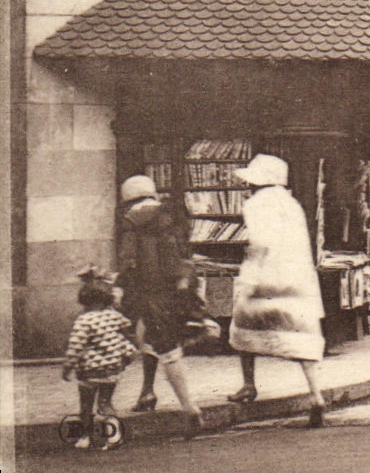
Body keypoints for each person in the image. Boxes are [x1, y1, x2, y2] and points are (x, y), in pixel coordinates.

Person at [226, 154, 328, 428]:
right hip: (296, 279)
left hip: (266, 278)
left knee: (242, 330)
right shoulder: (292, 203)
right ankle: (316, 395)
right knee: (301, 340)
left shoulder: (256, 204)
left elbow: (260, 243)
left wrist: (248, 279)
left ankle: (248, 385)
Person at [115, 174, 204, 435]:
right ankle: (148, 392)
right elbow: (182, 257)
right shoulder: (170, 217)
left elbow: (129, 261)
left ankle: (189, 408)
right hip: (174, 292)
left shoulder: (131, 223)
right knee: (157, 343)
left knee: (160, 347)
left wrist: (119, 285)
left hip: (148, 295)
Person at [62, 267, 138, 450]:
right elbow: (127, 337)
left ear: (84, 300)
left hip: (89, 372)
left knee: (86, 406)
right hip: (111, 370)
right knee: (106, 403)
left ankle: (85, 438)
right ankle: (113, 436)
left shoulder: (83, 321)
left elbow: (76, 347)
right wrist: (126, 359)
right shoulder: (115, 317)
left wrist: (67, 367)